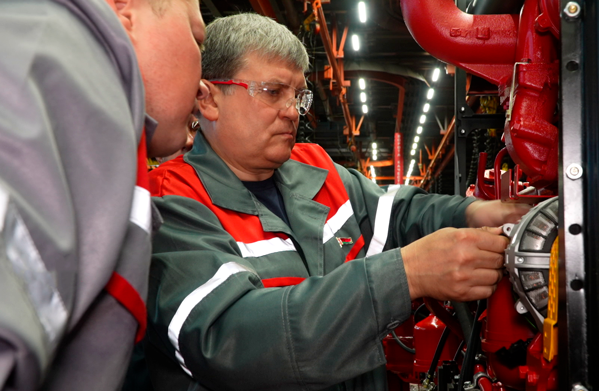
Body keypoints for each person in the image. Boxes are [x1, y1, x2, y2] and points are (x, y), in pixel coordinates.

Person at [145, 13, 530, 391]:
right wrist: (406, 274)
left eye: (298, 95)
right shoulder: (171, 200)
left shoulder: (314, 167)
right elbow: (230, 338)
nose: (292, 111)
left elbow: (399, 214)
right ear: (208, 100)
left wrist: (475, 211)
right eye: (273, 92)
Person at [0, 0, 206, 389]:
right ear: (126, 10)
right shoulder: (52, 64)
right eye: (197, 38)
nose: (202, 82)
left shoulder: (101, 123)